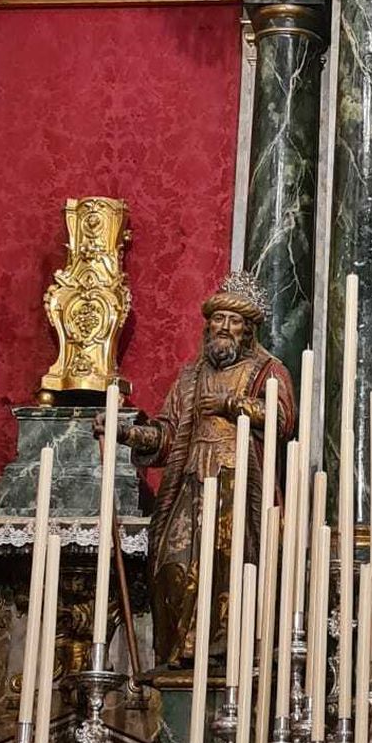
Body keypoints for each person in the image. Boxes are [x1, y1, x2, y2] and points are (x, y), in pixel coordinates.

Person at [116, 271, 295, 668]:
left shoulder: (267, 370)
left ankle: (221, 650)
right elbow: (166, 433)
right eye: (219, 319)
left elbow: (283, 417)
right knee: (172, 565)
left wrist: (233, 405)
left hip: (238, 484)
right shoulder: (190, 376)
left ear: (248, 330)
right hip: (191, 482)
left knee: (231, 567)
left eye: (234, 321)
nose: (224, 328)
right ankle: (180, 650)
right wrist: (127, 433)